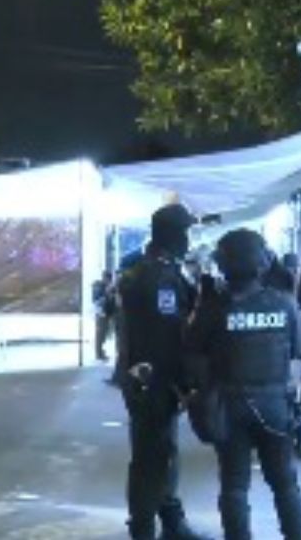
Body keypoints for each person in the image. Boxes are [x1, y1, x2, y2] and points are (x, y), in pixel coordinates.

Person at [184, 229, 301, 540]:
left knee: (234, 485)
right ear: (261, 262)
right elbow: (296, 350)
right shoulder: (285, 304)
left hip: (230, 405)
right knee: (285, 483)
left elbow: (192, 353)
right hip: (275, 405)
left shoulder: (214, 308)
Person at [116, 204, 212, 540]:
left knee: (162, 453)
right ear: (172, 235)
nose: (189, 240)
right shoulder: (159, 279)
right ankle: (144, 529)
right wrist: (183, 383)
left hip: (145, 379)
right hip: (153, 381)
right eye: (186, 233)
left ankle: (170, 521)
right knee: (151, 459)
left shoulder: (145, 270)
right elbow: (166, 337)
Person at [94, 270, 116, 362]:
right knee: (100, 334)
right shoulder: (99, 286)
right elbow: (97, 300)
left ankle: (101, 351)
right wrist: (106, 293)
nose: (108, 281)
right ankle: (99, 353)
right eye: (107, 279)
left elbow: (113, 300)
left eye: (109, 279)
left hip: (109, 313)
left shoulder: (112, 287)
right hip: (101, 313)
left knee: (105, 333)